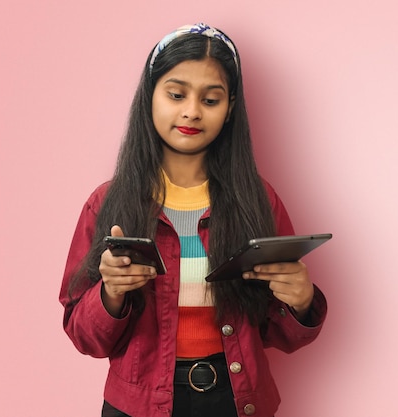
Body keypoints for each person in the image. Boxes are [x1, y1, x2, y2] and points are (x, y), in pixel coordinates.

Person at [59, 23, 327, 417]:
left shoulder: (258, 199)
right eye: (176, 94)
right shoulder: (107, 203)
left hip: (238, 401)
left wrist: (302, 302)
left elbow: (275, 332)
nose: (191, 112)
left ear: (231, 107)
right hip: (139, 406)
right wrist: (111, 294)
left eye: (211, 99)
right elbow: (85, 336)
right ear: (150, 95)